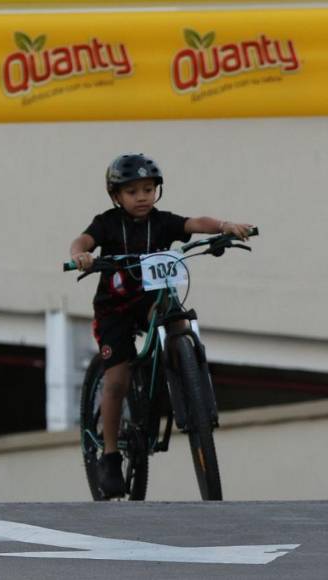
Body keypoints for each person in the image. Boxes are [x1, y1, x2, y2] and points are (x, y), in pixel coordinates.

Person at [68, 153, 252, 499]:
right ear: (116, 196)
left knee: (179, 321)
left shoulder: (162, 222)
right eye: (132, 191)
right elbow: (83, 241)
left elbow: (195, 223)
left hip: (151, 303)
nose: (142, 197)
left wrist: (225, 227)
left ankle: (191, 387)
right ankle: (108, 455)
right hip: (115, 311)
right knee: (117, 380)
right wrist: (81, 255)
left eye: (148, 189)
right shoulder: (107, 224)